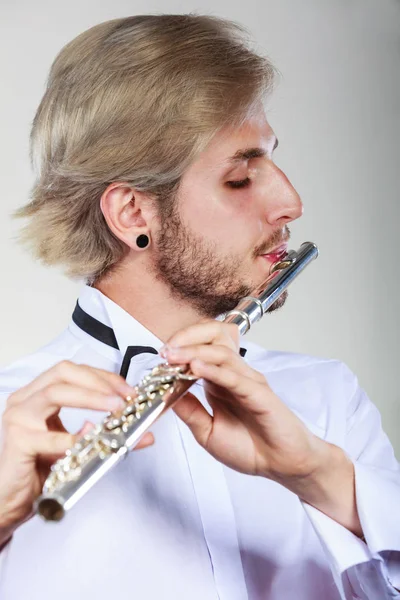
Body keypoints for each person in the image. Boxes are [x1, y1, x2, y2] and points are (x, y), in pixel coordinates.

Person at [0, 13, 398, 600]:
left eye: (272, 161)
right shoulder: (12, 425)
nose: (290, 201)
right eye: (240, 179)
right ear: (133, 213)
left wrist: (319, 476)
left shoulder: (329, 399)